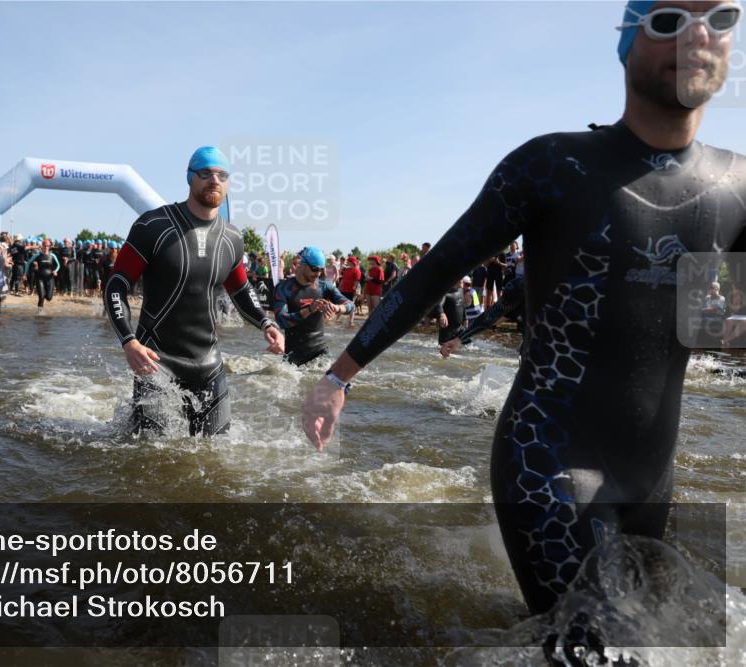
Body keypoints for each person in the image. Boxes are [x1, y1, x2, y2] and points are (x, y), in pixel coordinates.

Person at [303, 0, 746, 620]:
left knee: (646, 640)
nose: (699, 34)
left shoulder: (735, 186)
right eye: (669, 20)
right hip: (550, 460)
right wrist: (335, 378)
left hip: (654, 477)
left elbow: (717, 327)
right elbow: (436, 272)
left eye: (720, 19)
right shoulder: (552, 166)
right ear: (625, 43)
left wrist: (730, 324)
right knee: (597, 648)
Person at [104, 146, 284, 437]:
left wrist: (266, 323)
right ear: (190, 178)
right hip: (156, 361)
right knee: (152, 458)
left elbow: (241, 290)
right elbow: (116, 285)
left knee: (218, 455)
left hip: (208, 363)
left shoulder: (232, 238)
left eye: (221, 175)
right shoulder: (153, 225)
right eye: (206, 173)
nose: (214, 180)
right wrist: (129, 341)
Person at [271, 247, 354, 366]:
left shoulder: (323, 286)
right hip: (294, 357)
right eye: (315, 269)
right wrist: (309, 309)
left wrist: (337, 308)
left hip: (320, 354)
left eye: (321, 270)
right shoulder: (284, 288)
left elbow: (350, 305)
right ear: (302, 264)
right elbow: (282, 320)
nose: (318, 274)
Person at [25, 238, 60, 313]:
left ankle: (42, 307)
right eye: (45, 245)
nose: (46, 247)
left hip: (50, 278)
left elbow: (58, 265)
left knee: (49, 298)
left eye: (48, 245)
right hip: (40, 278)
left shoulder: (52, 255)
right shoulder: (37, 255)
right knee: (41, 296)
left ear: (49, 246)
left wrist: (55, 271)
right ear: (42, 246)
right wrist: (25, 274)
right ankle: (39, 312)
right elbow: (28, 263)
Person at [338, 256, 362, 327]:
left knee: (351, 305)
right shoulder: (346, 270)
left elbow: (357, 281)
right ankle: (338, 319)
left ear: (352, 262)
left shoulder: (357, 270)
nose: (347, 262)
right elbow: (343, 280)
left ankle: (351, 321)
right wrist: (339, 288)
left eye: (348, 261)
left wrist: (354, 290)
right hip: (344, 290)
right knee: (341, 304)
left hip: (351, 291)